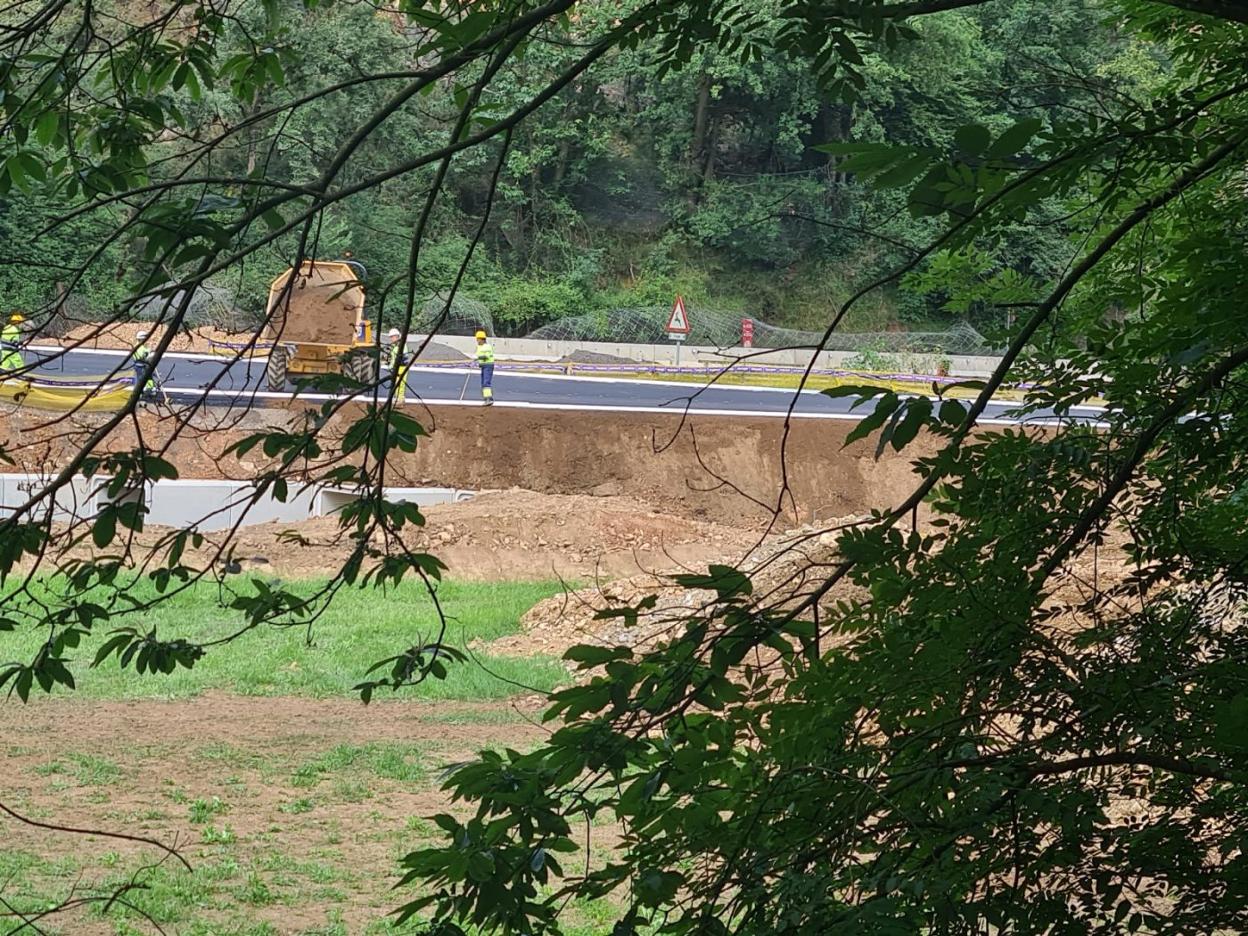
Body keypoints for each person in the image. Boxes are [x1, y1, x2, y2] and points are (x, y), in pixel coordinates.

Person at [386, 327, 411, 399]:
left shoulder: (400, 346)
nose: (391, 339)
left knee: (400, 383)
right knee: (397, 383)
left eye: (392, 337)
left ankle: (400, 399)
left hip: (401, 367)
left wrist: (390, 367)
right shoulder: (396, 346)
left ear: (396, 336)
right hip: (398, 367)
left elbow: (395, 359)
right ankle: (397, 398)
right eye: (390, 337)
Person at [132, 330, 157, 399]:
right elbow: (142, 356)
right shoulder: (140, 348)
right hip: (141, 366)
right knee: (143, 378)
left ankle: (146, 390)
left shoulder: (141, 347)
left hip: (142, 365)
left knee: (144, 378)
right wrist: (149, 356)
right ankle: (143, 391)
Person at [474, 329, 494, 406]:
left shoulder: (487, 347)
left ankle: (488, 399)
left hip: (488, 366)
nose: (477, 341)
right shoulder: (480, 347)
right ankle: (487, 399)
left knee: (486, 382)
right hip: (483, 366)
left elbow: (486, 356)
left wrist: (478, 357)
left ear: (482, 339)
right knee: (483, 383)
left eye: (478, 339)